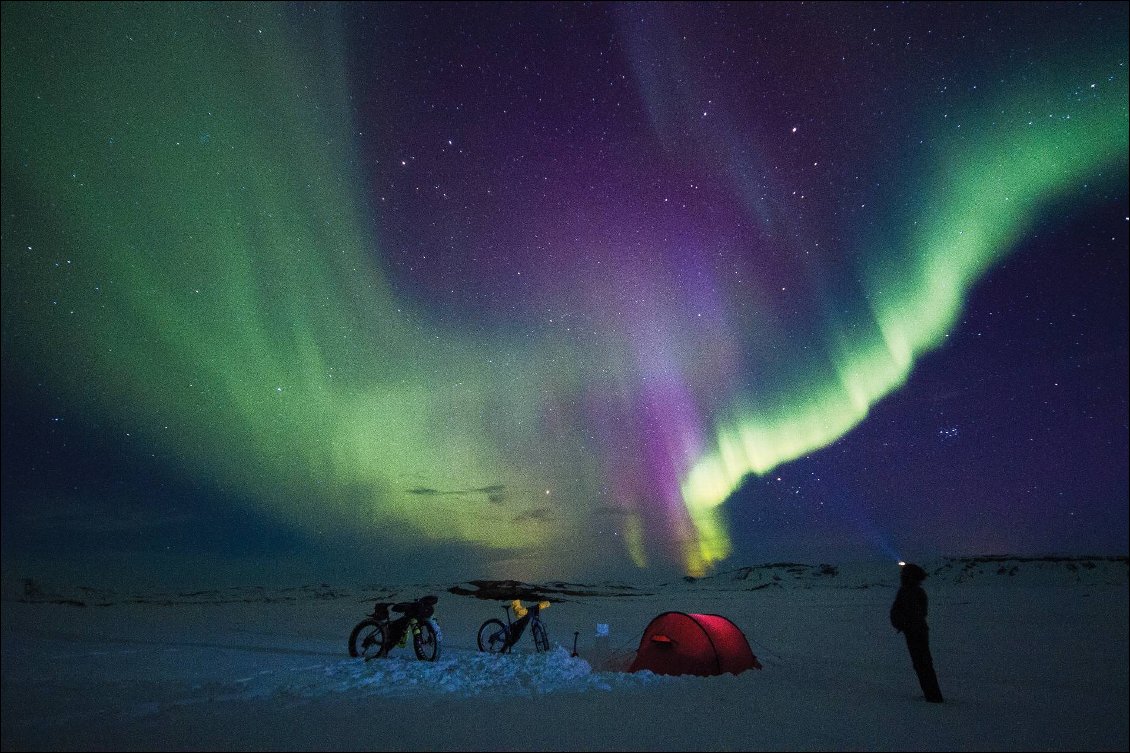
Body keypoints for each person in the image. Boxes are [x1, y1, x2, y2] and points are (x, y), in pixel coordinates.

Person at [889, 562, 945, 703]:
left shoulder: (910, 592)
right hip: (915, 630)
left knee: (922, 663)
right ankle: (931, 694)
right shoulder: (912, 591)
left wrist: (905, 623)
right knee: (922, 663)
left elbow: (915, 613)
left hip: (915, 632)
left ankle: (933, 697)